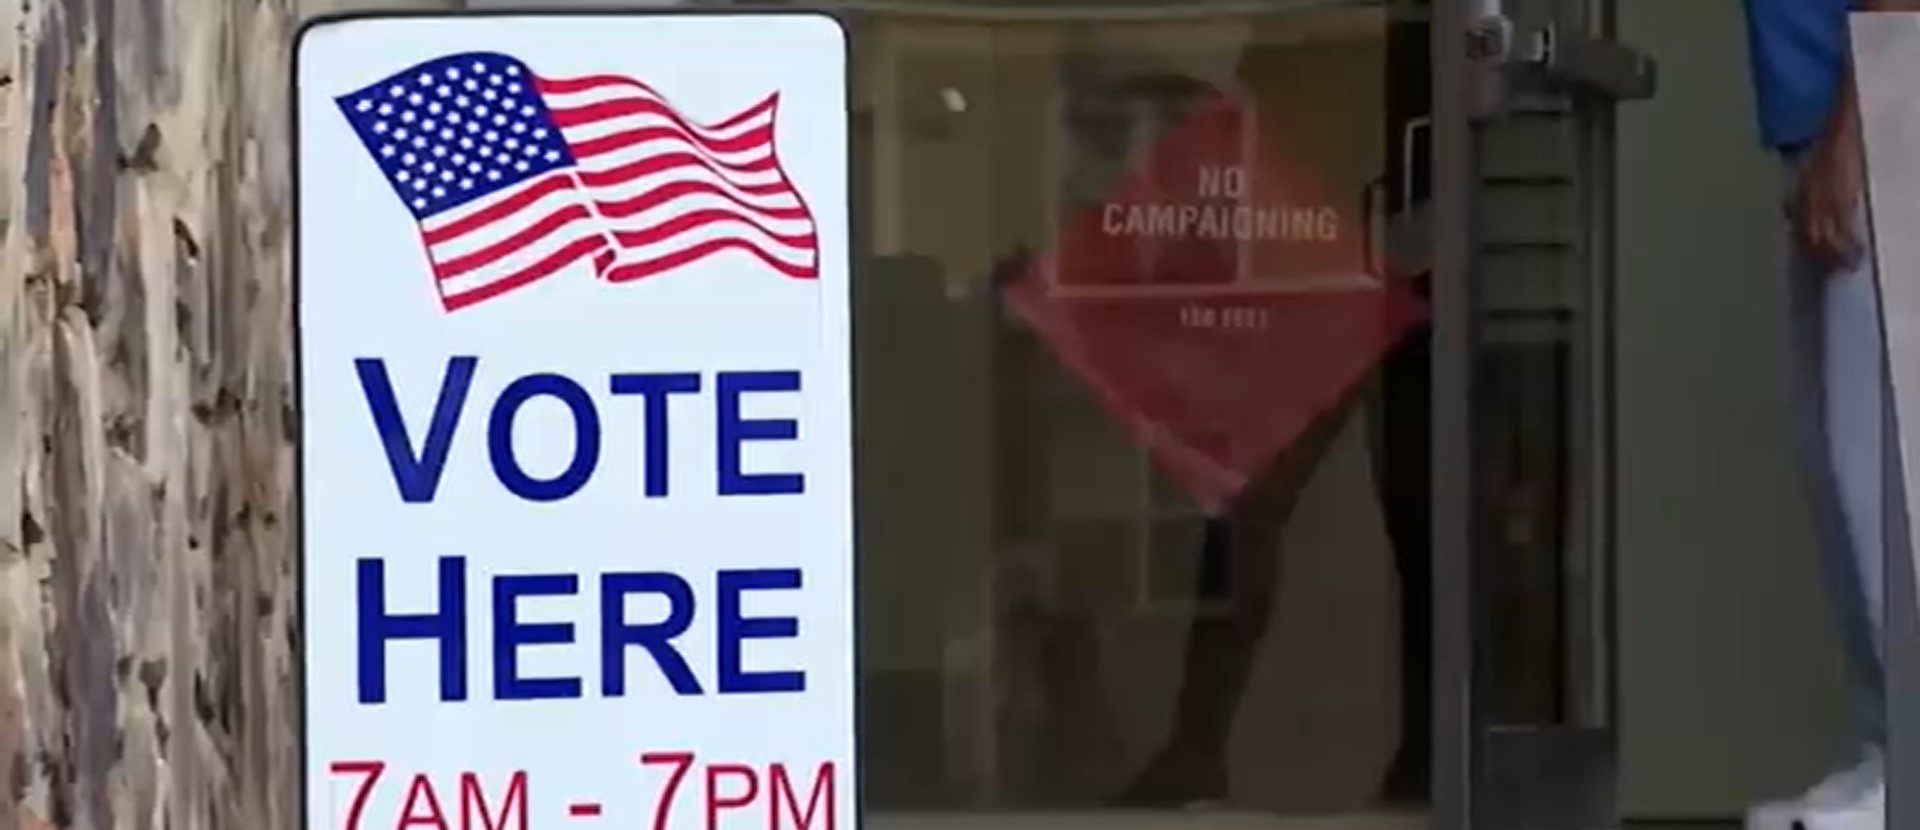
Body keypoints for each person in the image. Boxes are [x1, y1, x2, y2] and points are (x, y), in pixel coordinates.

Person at [1742, 1, 1918, 828]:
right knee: (1839, 456)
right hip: (1838, 115)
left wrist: (1856, 128)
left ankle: (1908, 768)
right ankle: (1889, 751)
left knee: (1879, 462)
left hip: (1889, 92)